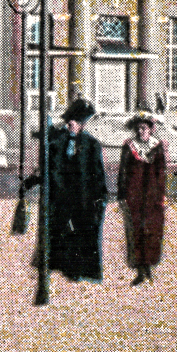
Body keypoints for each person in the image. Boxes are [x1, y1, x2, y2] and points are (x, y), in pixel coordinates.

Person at [21, 99, 107, 282]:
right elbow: (47, 169)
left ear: (83, 124)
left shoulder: (91, 145)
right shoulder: (57, 142)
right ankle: (58, 266)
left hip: (82, 198)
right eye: (70, 120)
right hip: (61, 197)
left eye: (76, 121)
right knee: (61, 232)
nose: (71, 124)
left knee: (81, 233)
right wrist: (29, 183)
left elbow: (97, 175)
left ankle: (77, 270)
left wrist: (100, 199)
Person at [118, 112, 169, 285]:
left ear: (151, 129)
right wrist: (122, 195)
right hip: (134, 195)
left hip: (153, 196)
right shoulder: (129, 146)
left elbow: (161, 173)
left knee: (152, 230)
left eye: (144, 128)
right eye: (139, 128)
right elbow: (123, 171)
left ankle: (149, 266)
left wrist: (162, 195)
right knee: (135, 230)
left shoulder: (157, 146)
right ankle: (140, 269)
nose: (141, 131)